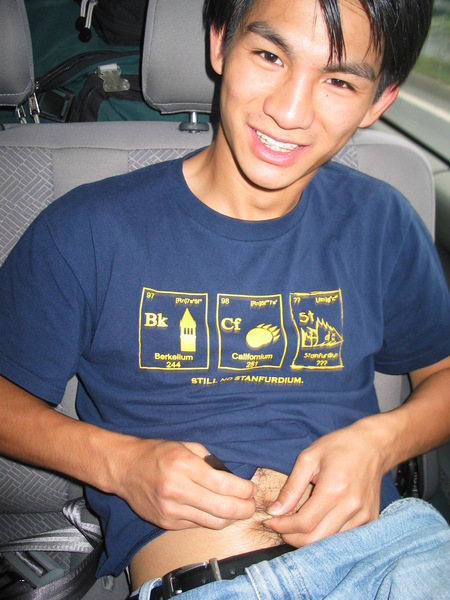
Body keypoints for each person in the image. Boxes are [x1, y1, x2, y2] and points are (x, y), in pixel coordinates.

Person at [1, 0, 450, 598]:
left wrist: (380, 442)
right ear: (219, 44)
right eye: (269, 55)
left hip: (394, 554)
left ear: (379, 101)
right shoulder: (89, 229)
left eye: (339, 82)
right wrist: (119, 464)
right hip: (211, 582)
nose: (289, 112)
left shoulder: (381, 221)